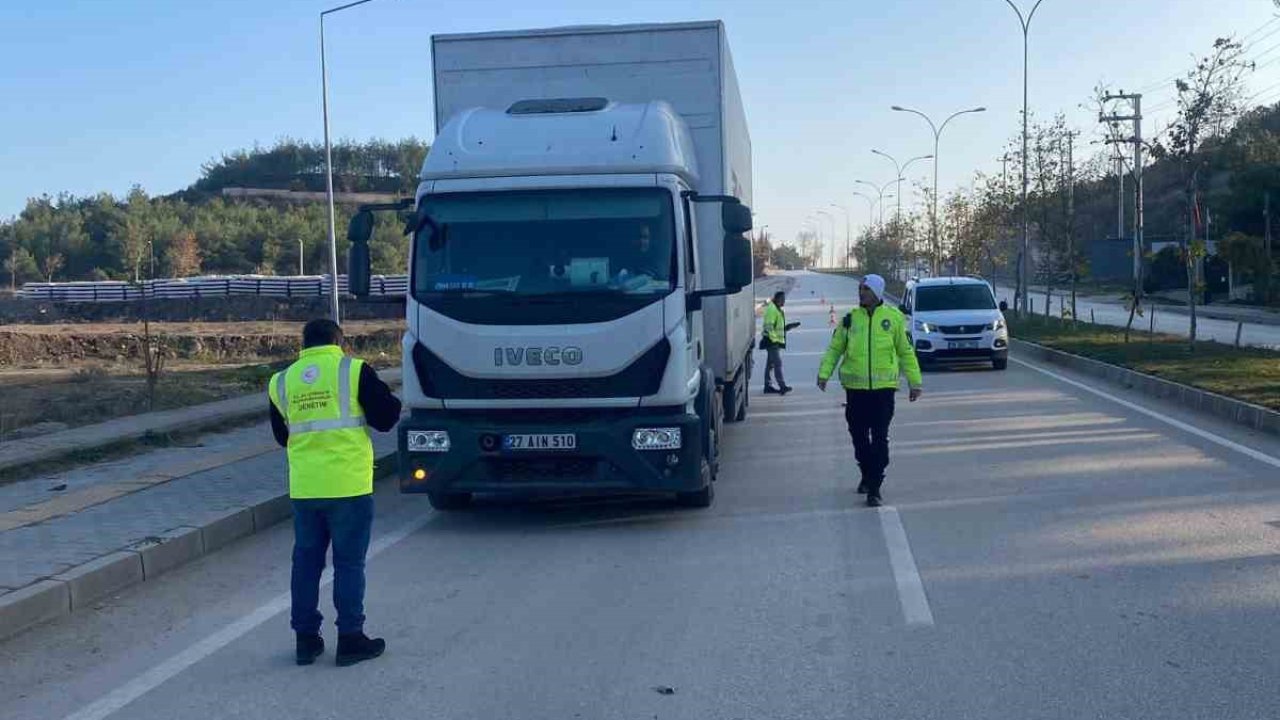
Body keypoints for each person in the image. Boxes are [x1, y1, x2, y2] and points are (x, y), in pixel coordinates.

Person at [268, 319, 402, 667]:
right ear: (339, 341)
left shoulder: (281, 381)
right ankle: (351, 639)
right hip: (349, 487)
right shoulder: (353, 370)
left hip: (306, 489)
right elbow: (387, 418)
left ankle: (306, 641)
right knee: (348, 563)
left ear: (304, 343)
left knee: (306, 564)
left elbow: (283, 437)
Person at [817, 275, 922, 507]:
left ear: (877, 292)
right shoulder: (849, 320)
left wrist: (915, 382)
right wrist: (824, 374)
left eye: (865, 289)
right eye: (860, 288)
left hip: (884, 391)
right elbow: (835, 350)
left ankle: (874, 487)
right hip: (855, 391)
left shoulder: (893, 319)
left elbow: (905, 352)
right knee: (859, 437)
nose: (861, 292)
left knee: (880, 438)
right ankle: (866, 472)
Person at [761, 291, 801, 395]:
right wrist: (774, 340)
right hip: (771, 342)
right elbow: (768, 327)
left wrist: (788, 327)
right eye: (783, 299)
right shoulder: (772, 309)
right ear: (778, 299)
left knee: (770, 365)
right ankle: (782, 386)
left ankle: (767, 386)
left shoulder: (777, 309)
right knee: (777, 363)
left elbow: (777, 327)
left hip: (773, 341)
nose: (784, 301)